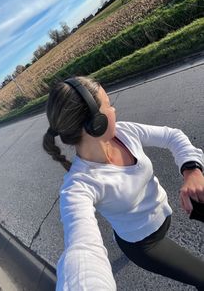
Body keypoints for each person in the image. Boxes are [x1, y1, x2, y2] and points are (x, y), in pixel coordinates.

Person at [43, 76, 204, 290]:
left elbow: (171, 136)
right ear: (95, 123)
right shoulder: (78, 186)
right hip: (145, 244)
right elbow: (81, 248)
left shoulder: (123, 132)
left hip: (164, 213)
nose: (114, 110)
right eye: (108, 105)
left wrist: (192, 170)